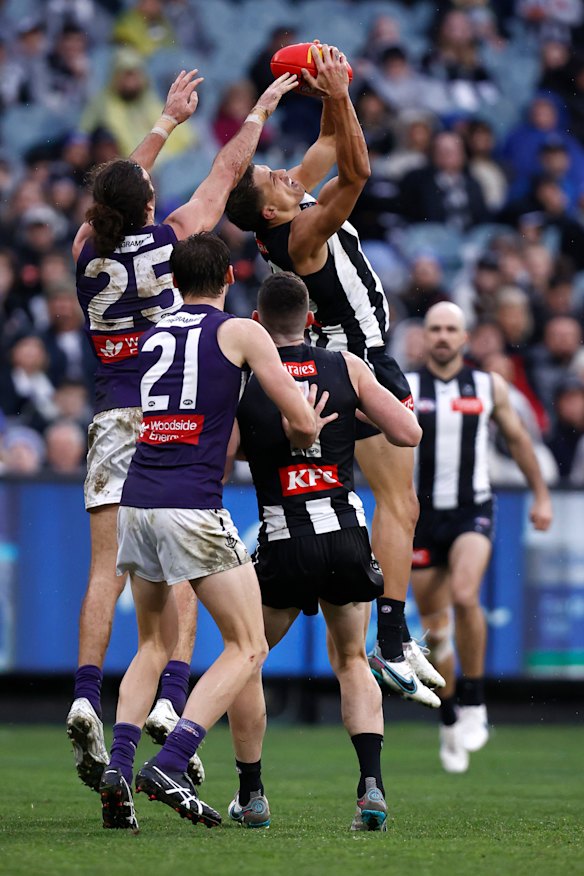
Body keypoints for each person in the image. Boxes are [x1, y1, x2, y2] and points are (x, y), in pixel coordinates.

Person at [67, 66, 299, 793]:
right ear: (148, 205)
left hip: (109, 416)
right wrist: (257, 111)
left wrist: (162, 124)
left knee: (107, 570)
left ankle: (85, 692)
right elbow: (226, 173)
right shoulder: (170, 241)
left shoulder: (84, 250)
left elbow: (115, 194)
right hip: (166, 411)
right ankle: (172, 698)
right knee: (187, 566)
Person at [226, 44, 443, 706]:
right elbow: (356, 171)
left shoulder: (283, 212)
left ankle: (387, 636)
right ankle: (393, 642)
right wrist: (344, 95)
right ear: (269, 211)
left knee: (388, 502)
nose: (285, 173)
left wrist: (325, 91)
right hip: (355, 360)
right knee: (399, 503)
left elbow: (326, 145)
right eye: (273, 177)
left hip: (344, 358)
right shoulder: (300, 235)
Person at [102, 233, 320, 831]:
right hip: (192, 506)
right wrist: (307, 425)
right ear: (229, 276)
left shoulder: (153, 332)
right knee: (247, 646)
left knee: (152, 644)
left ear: (173, 281)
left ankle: (118, 770)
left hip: (137, 502)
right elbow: (300, 419)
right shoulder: (241, 332)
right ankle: (172, 761)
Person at [226, 272, 422, 831]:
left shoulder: (246, 381)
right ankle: (371, 787)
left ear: (257, 323)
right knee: (352, 661)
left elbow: (221, 460)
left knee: (246, 659)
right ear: (311, 319)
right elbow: (408, 432)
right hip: (346, 538)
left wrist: (268, 444)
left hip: (284, 539)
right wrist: (346, 421)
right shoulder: (346, 366)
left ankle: (252, 793)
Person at [406, 302, 553, 774]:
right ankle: (449, 714)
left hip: (473, 509)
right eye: (435, 328)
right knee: (437, 631)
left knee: (466, 594)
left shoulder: (489, 386)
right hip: (422, 518)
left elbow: (519, 440)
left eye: (451, 329)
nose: (443, 336)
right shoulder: (406, 386)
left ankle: (474, 697)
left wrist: (541, 495)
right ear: (425, 337)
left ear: (465, 337)